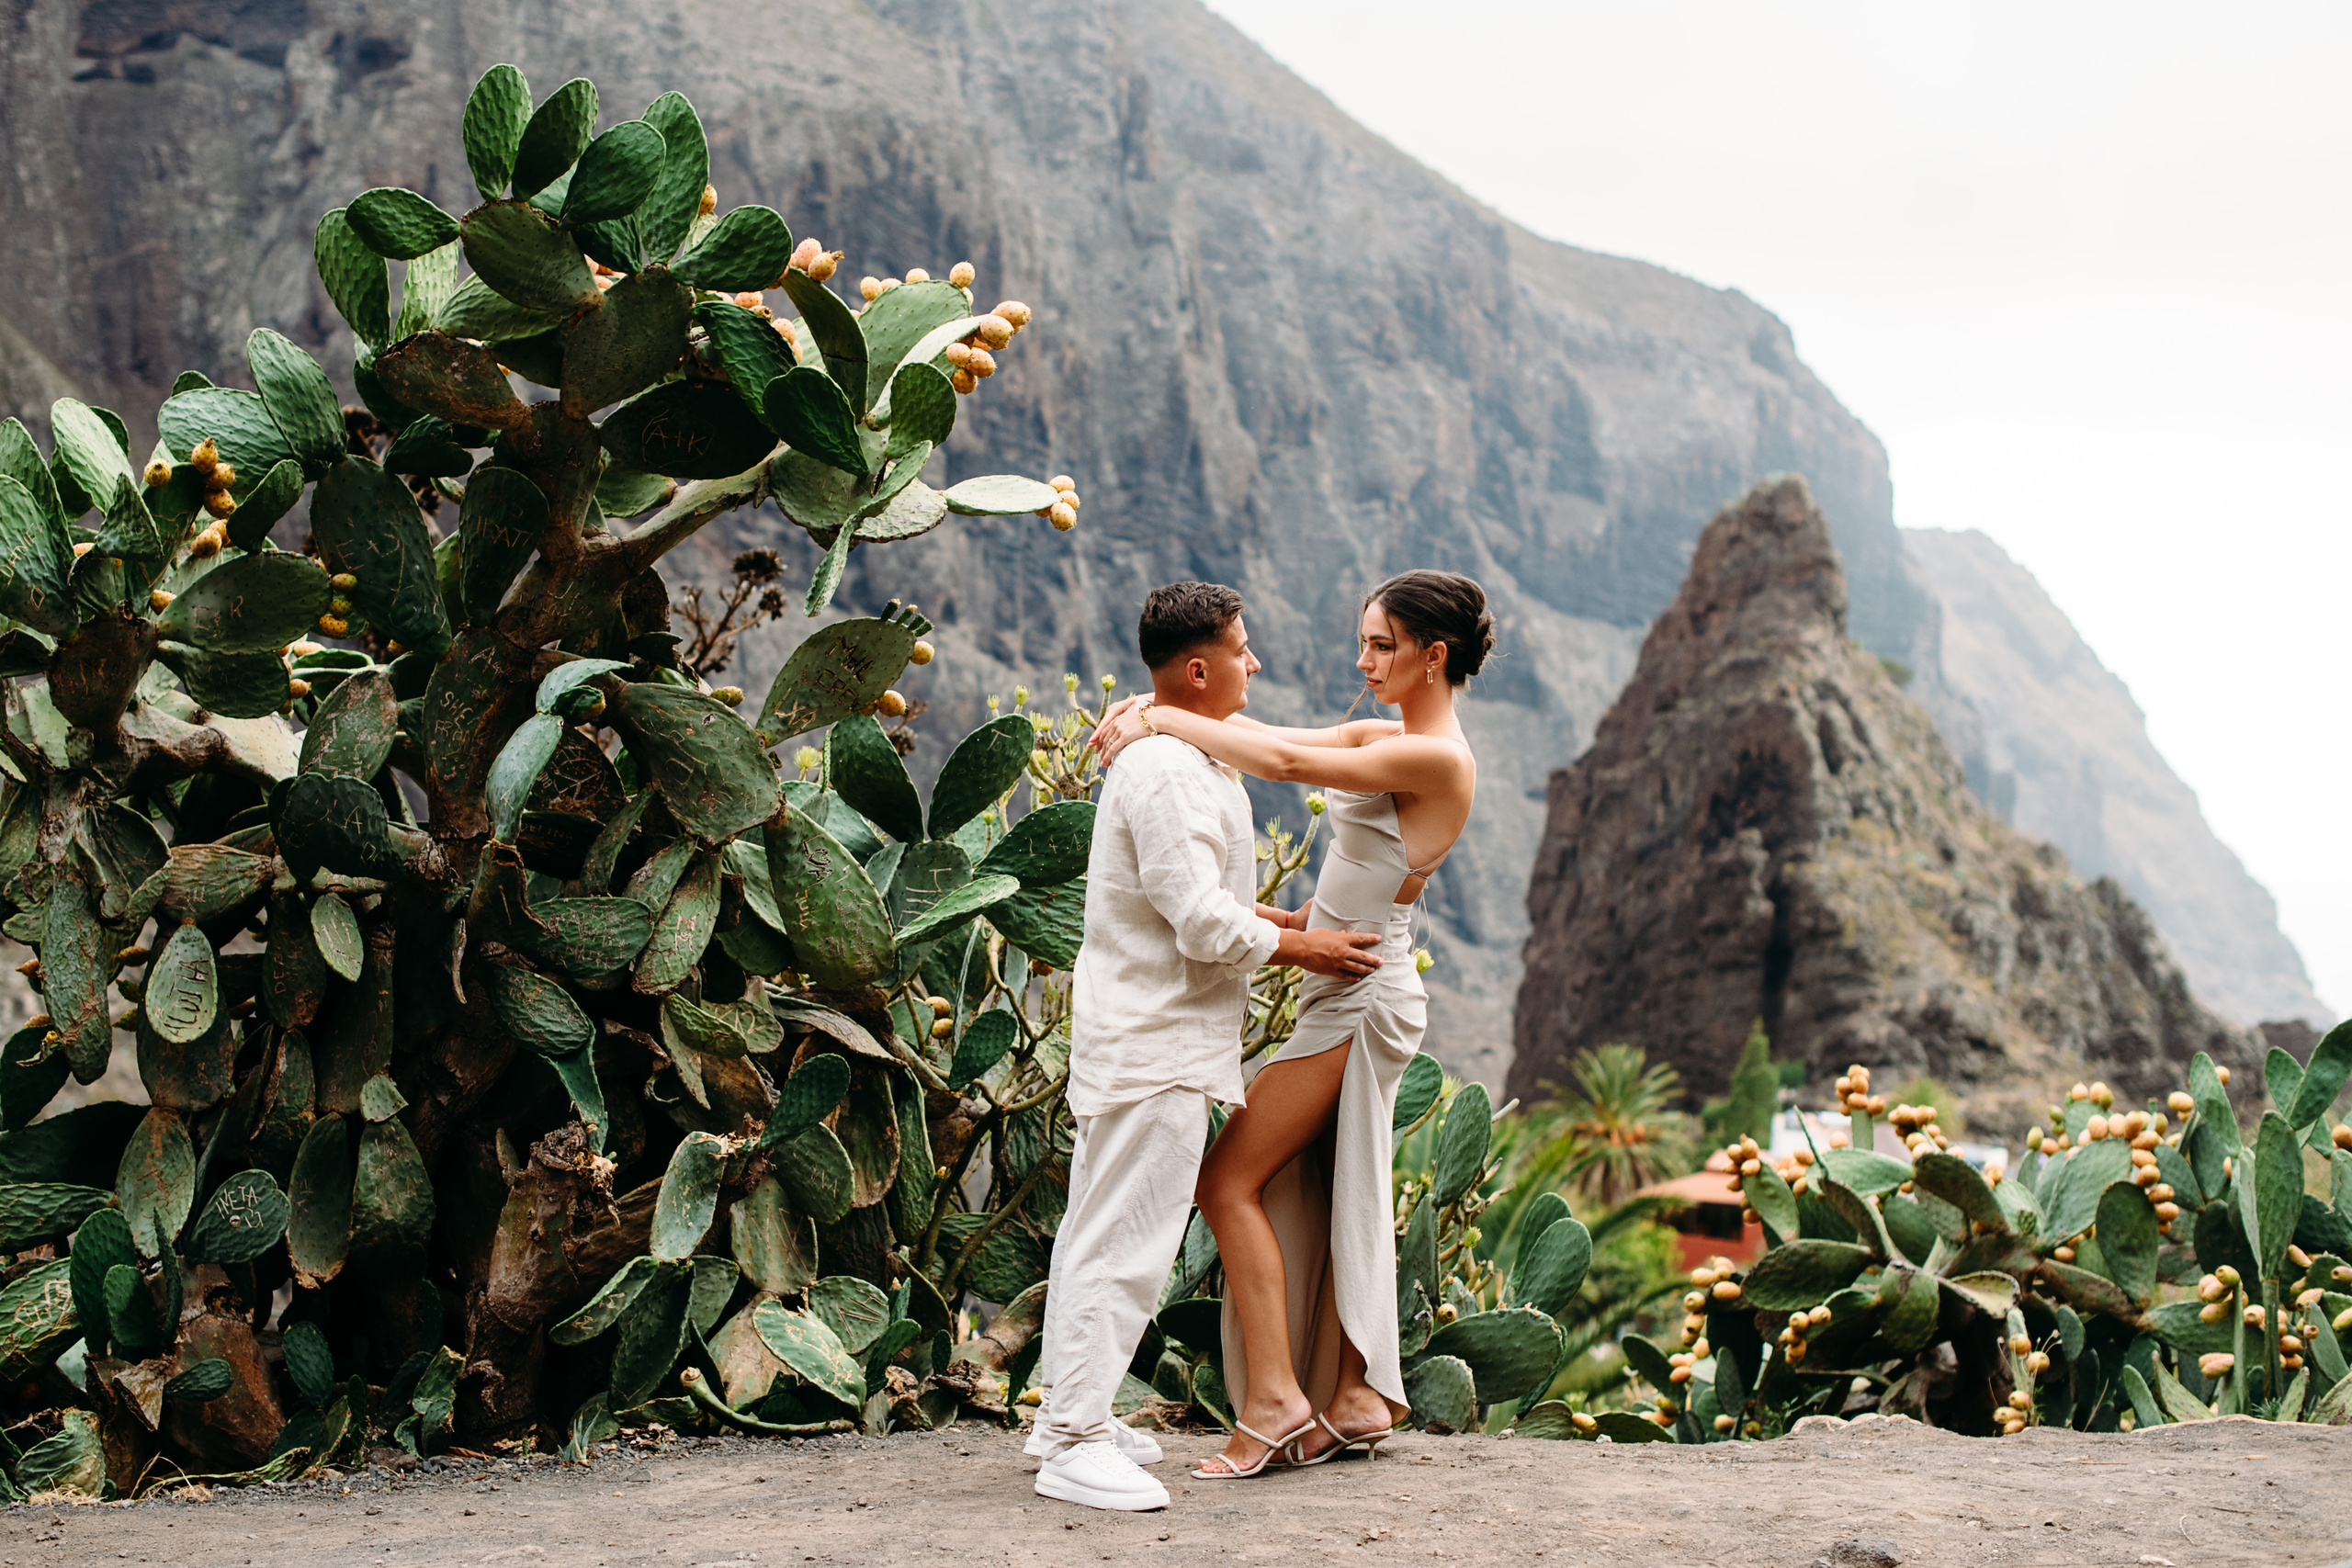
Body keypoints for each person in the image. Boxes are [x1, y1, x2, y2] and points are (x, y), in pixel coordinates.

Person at [1091, 569, 1490, 1478]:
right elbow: (1258, 735)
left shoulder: (1438, 759)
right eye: (1364, 640)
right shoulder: (1385, 736)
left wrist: (1152, 720)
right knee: (1324, 1178)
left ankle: (1276, 1402)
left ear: (1436, 655)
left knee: (1227, 1179)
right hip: (1340, 972)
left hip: (1359, 994)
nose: (1363, 660)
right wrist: (1153, 709)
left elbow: (1288, 768)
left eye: (1382, 644)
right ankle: (1346, 1400)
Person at [1029, 581, 1385, 1512]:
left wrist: (1275, 917)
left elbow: (1180, 896)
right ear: (1198, 667)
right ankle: (1070, 1442)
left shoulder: (1186, 754)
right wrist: (1308, 947)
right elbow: (1194, 922)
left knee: (1099, 1234)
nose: (1254, 663)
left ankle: (1074, 1416)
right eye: (1242, 649)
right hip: (1155, 1047)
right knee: (1127, 1244)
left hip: (1158, 1040)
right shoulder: (1164, 771)